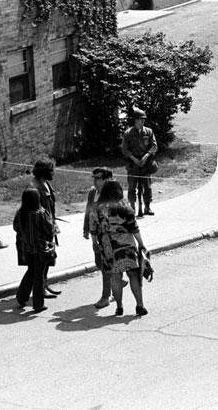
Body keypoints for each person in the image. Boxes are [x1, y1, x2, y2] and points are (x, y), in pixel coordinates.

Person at [94, 181, 147, 316]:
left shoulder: (97, 208)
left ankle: (119, 307)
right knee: (133, 275)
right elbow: (134, 228)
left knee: (115, 277)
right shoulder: (124, 207)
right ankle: (139, 305)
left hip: (107, 247)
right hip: (126, 246)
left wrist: (96, 243)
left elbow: (93, 229)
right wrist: (141, 244)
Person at [13, 188, 55, 313]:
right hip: (40, 249)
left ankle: (21, 297)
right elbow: (49, 229)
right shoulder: (41, 213)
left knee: (31, 271)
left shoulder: (20, 213)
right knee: (39, 276)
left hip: (26, 249)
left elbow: (16, 228)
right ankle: (38, 304)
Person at [83, 167, 115, 308]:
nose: (95, 180)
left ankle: (105, 296)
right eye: (93, 177)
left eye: (98, 178)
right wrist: (86, 228)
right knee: (99, 262)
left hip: (109, 235)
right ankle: (116, 281)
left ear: (107, 179)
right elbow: (88, 211)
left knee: (105, 265)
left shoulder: (112, 193)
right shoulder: (92, 192)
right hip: (96, 233)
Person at [29, 158, 60, 297]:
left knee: (48, 259)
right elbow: (35, 213)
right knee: (41, 261)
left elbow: (50, 208)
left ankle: (44, 285)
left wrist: (53, 223)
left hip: (48, 227)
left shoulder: (45, 183)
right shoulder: (34, 187)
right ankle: (39, 290)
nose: (53, 173)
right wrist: (47, 225)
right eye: (51, 170)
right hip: (41, 230)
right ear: (44, 172)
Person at [121, 108, 158, 217]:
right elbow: (124, 149)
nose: (142, 121)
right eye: (140, 119)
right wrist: (134, 159)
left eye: (143, 119)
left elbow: (154, 146)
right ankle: (132, 207)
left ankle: (147, 207)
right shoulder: (128, 133)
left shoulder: (149, 131)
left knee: (147, 186)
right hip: (133, 164)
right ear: (135, 120)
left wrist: (146, 156)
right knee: (132, 186)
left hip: (145, 163)